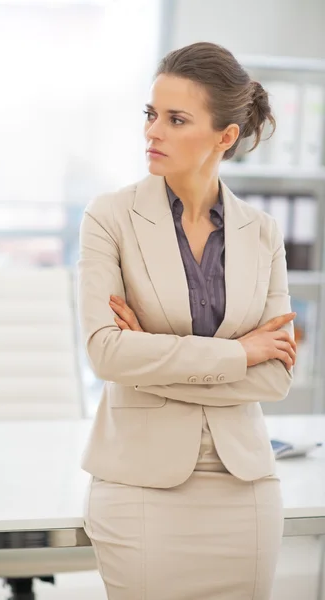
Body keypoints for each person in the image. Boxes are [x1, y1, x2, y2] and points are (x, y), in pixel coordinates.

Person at [77, 41, 297, 600]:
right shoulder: (110, 216)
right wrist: (240, 353)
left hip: (244, 487)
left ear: (225, 137)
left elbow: (276, 377)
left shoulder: (263, 232)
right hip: (139, 488)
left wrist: (150, 351)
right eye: (152, 115)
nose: (153, 132)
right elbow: (106, 354)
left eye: (177, 119)